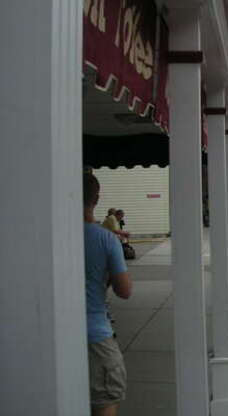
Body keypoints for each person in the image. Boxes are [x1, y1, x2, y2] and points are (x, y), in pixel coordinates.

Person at [84, 172, 132, 415]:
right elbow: (125, 291)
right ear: (96, 199)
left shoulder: (50, 235)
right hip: (95, 334)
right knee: (104, 400)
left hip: (53, 334)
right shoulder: (106, 239)